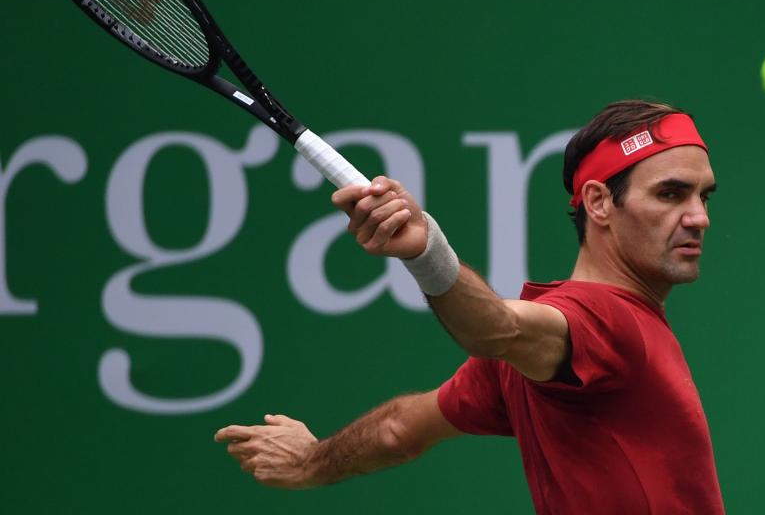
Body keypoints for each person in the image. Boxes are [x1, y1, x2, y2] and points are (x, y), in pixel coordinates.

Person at [215, 99, 725, 514]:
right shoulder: (605, 321)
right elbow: (497, 328)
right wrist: (426, 251)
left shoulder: (536, 355)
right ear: (598, 203)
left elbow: (400, 430)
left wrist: (313, 460)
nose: (698, 217)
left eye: (704, 196)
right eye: (671, 194)